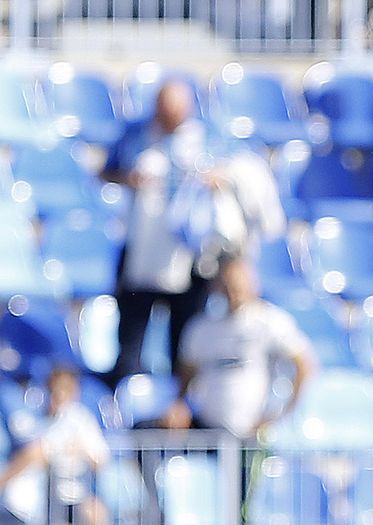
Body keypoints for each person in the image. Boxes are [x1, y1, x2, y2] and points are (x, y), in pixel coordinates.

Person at [101, 80, 216, 389]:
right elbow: (105, 170)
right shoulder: (136, 134)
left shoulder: (207, 137)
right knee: (132, 336)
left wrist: (210, 180)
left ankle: (179, 409)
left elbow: (232, 171)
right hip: (142, 248)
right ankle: (126, 398)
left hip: (187, 254)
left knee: (185, 340)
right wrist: (129, 178)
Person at [175, 254, 315, 443]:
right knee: (149, 432)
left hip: (252, 434)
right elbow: (186, 374)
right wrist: (179, 407)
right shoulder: (201, 328)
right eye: (227, 285)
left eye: (237, 285)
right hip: (207, 430)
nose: (232, 292)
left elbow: (304, 365)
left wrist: (279, 416)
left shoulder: (270, 322)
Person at [0, 366, 110, 525]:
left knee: (96, 515)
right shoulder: (40, 419)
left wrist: (80, 451)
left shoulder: (79, 419)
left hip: (73, 495)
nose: (59, 395)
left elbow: (100, 459)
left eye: (65, 389)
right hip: (44, 498)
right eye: (55, 389)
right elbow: (37, 453)